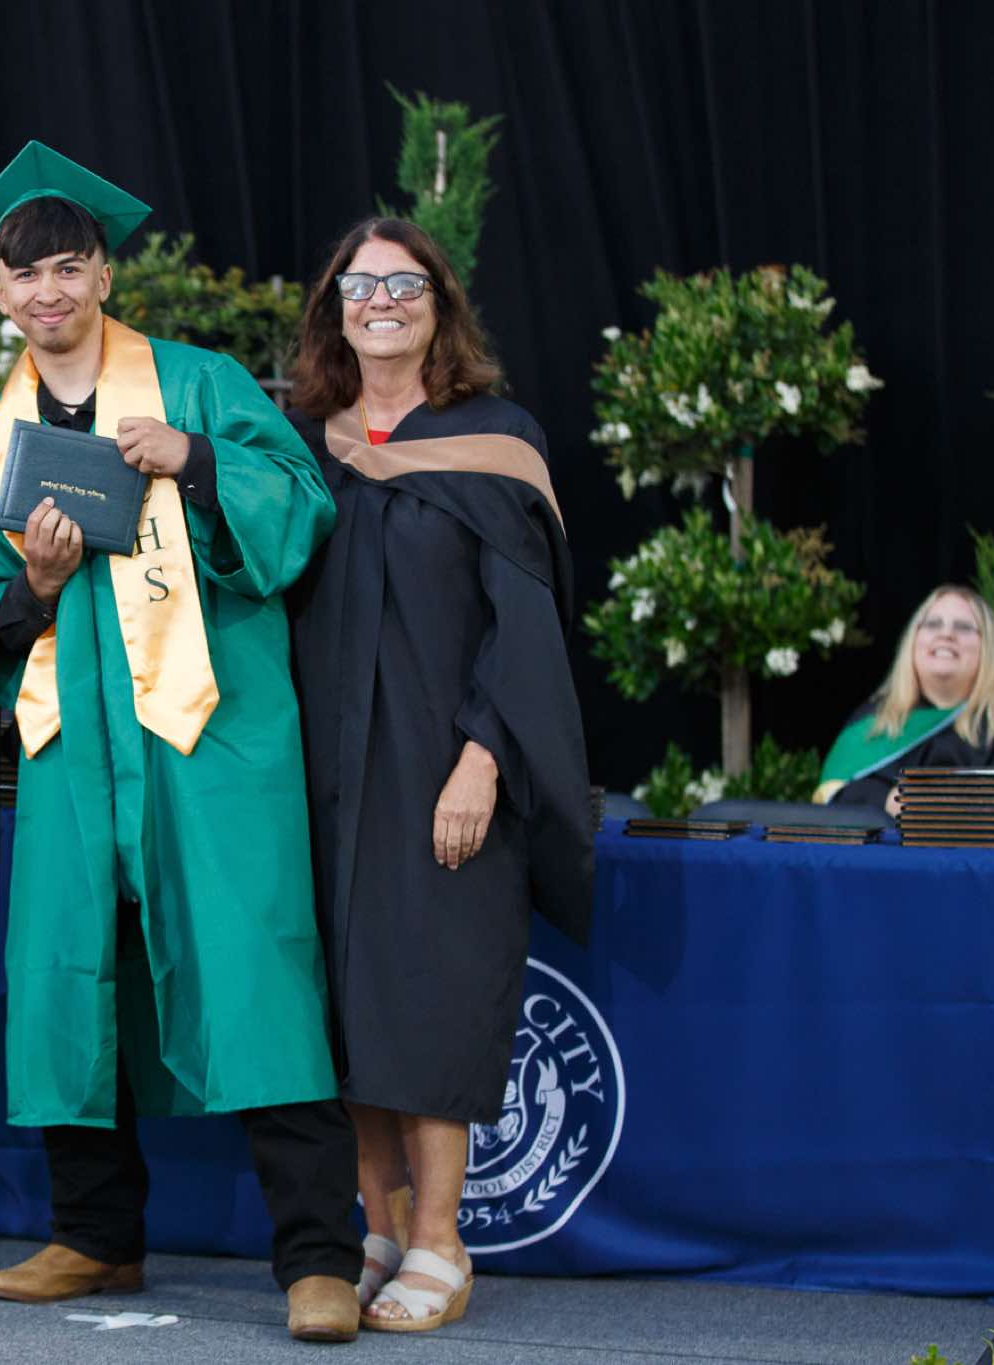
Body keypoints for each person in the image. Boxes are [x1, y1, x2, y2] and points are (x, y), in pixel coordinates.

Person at [0, 142, 363, 1344]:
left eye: (67, 267)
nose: (47, 292)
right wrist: (30, 585)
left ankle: (316, 1258)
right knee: (70, 977)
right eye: (23, 275)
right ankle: (93, 1237)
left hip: (208, 737)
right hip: (73, 746)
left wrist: (201, 459)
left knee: (253, 971)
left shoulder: (197, 382)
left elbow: (303, 506)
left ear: (104, 275)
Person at [286, 217, 594, 1333]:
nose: (380, 301)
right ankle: (377, 1227)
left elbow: (527, 626)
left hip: (442, 768)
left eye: (402, 284)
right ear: (333, 309)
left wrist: (483, 757)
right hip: (323, 776)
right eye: (358, 285)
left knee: (428, 1003)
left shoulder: (495, 441)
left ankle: (441, 1241)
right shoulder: (300, 443)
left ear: (438, 303)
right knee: (347, 1009)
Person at [817, 583, 994, 810]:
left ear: (988, 646)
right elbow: (836, 795)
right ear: (913, 640)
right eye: (932, 624)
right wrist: (887, 800)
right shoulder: (874, 723)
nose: (946, 634)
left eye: (964, 627)